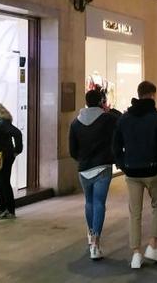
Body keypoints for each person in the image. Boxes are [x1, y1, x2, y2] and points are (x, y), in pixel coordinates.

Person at [113, 81, 157, 270]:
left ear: (138, 94)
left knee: (135, 212)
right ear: (152, 95)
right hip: (153, 170)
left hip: (132, 172)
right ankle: (153, 245)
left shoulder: (124, 118)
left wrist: (124, 165)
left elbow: (116, 145)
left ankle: (135, 254)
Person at [69, 89, 118, 261]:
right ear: (101, 102)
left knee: (89, 202)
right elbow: (117, 136)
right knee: (99, 203)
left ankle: (91, 235)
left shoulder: (75, 123)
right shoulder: (109, 119)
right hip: (103, 166)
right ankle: (96, 243)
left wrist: (82, 159)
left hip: (84, 168)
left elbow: (72, 151)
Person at [0, 103, 23, 221]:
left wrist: (17, 150)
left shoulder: (2, 122)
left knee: (3, 182)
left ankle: (9, 210)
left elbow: (17, 133)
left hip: (4, 156)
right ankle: (3, 208)